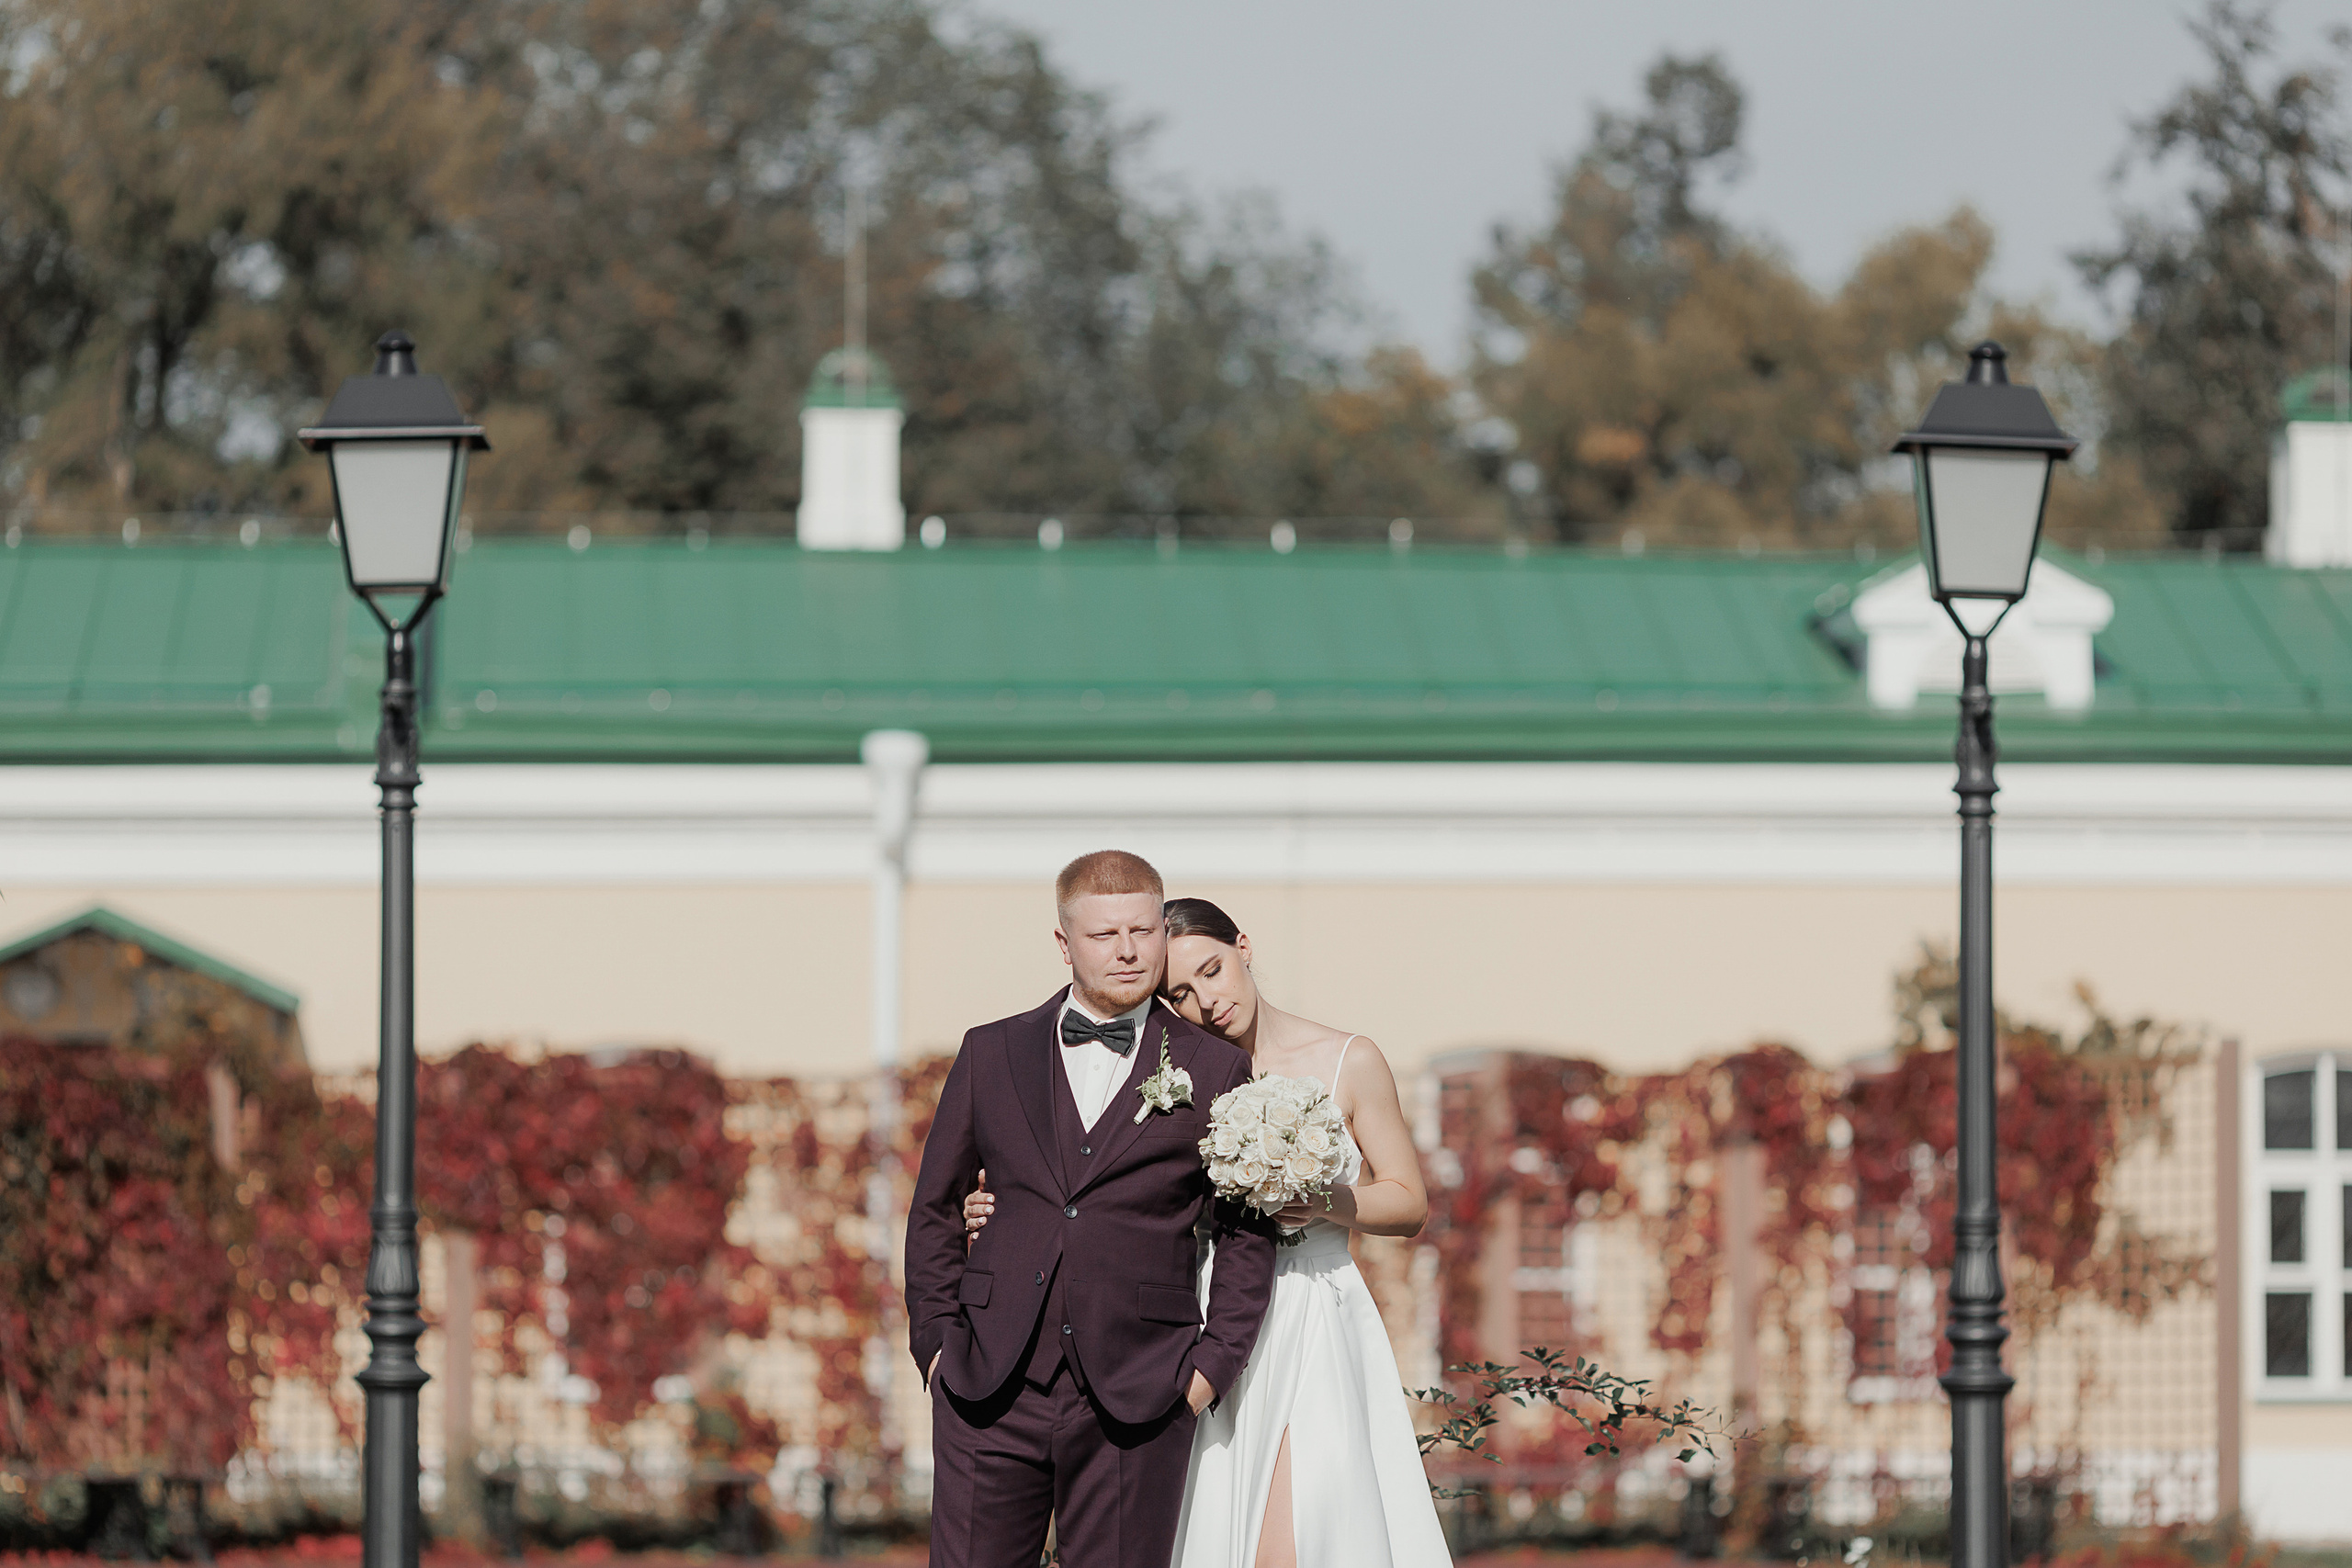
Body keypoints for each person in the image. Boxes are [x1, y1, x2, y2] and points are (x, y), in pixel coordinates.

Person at [962, 896, 1452, 1568]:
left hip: (1311, 1308)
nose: (1206, 1001)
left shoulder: (1349, 1058)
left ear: (1243, 947)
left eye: (1213, 970)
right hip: (1198, 1319)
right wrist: (1001, 1212)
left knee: (1308, 1524)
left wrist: (1324, 1201)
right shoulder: (1181, 1077)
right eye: (1182, 993)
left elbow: (1408, 1201)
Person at [905, 852, 1278, 1568]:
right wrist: (936, 1349)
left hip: (1142, 1393)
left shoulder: (1213, 1066)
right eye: (1105, 934)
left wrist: (1207, 1374)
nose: (1129, 950)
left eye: (1143, 929)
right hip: (985, 1386)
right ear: (1064, 942)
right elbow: (934, 1210)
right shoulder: (991, 1050)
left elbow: (1244, 1234)